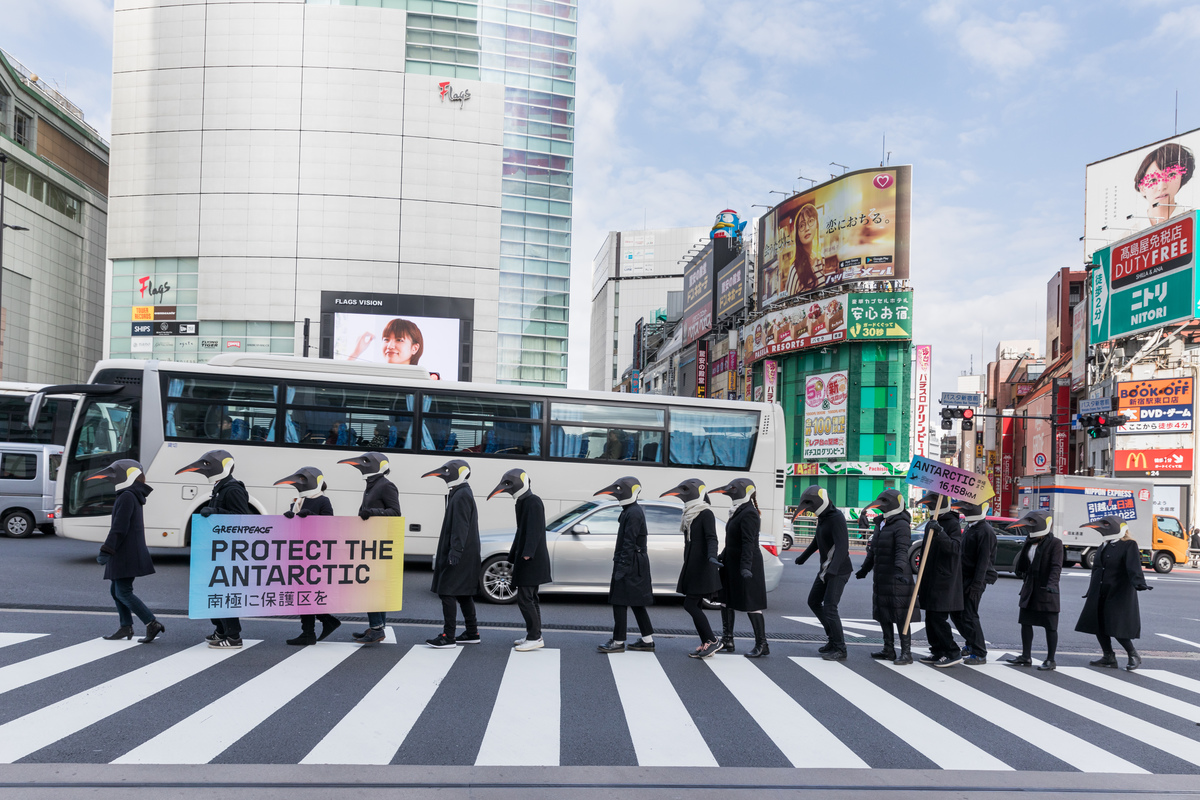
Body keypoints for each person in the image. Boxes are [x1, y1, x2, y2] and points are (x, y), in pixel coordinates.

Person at [176, 449, 250, 649]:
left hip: (228, 551)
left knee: (223, 593)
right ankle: (221, 630)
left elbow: (242, 518)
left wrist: (216, 510)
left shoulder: (232, 489)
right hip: (217, 548)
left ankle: (233, 636)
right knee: (212, 592)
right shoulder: (221, 487)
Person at [88, 459, 164, 644]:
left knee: (123, 592)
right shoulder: (131, 494)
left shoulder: (127, 496)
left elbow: (119, 528)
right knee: (116, 590)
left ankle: (151, 623)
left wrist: (106, 550)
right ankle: (125, 627)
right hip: (128, 551)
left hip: (126, 553)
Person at [339, 452, 402, 644]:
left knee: (371, 586)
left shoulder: (386, 485)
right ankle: (377, 627)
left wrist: (372, 512)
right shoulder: (372, 485)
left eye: (366, 462)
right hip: (370, 542)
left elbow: (395, 512)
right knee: (375, 585)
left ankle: (376, 628)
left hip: (379, 544)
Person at [1075, 515, 1151, 671]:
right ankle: (1108, 656)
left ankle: (1133, 654)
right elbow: (1097, 569)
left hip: (1118, 592)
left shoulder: (1129, 545)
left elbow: (1133, 566)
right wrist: (1091, 590)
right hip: (1100, 591)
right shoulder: (1104, 545)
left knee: (1116, 625)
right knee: (1098, 624)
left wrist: (1139, 583)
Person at [274, 467, 340, 645]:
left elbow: (329, 525)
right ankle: (323, 622)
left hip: (315, 554)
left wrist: (311, 516)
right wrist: (289, 516)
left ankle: (310, 631)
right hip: (299, 551)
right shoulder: (298, 502)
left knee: (305, 593)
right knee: (303, 593)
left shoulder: (323, 501)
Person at [489, 468, 551, 652]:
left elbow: (534, 530)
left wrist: (527, 553)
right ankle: (534, 634)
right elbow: (521, 530)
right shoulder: (523, 501)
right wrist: (513, 554)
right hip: (528, 557)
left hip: (531, 559)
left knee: (525, 599)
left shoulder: (533, 501)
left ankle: (535, 637)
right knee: (531, 598)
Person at [661, 479, 724, 659]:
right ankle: (707, 642)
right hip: (692, 566)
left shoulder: (705, 513)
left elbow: (712, 538)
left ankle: (712, 640)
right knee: (694, 605)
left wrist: (712, 556)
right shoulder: (689, 514)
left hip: (703, 566)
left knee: (690, 605)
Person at [422, 459, 482, 648]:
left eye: (447, 471)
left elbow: (460, 525)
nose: (444, 474)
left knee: (446, 591)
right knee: (463, 593)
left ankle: (449, 636)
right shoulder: (460, 492)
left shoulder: (461, 495)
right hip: (466, 552)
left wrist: (455, 551)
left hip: (460, 553)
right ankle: (472, 632)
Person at [856, 488, 918, 665]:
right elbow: (874, 549)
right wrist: (865, 569)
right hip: (881, 576)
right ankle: (888, 649)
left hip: (897, 578)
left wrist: (899, 570)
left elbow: (901, 550)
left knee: (900, 616)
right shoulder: (881, 523)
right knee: (884, 614)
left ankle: (906, 652)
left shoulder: (901, 525)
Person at [595, 476, 655, 653]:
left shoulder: (633, 512)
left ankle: (618, 641)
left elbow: (629, 542)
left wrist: (621, 567)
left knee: (619, 601)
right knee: (636, 602)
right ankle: (647, 640)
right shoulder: (632, 510)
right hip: (635, 561)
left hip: (631, 561)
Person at [709, 478, 768, 657]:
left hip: (747, 564)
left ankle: (762, 644)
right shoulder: (739, 511)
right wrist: (722, 557)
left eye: (733, 489)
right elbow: (733, 541)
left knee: (752, 603)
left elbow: (748, 543)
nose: (730, 492)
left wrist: (745, 567)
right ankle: (728, 639)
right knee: (726, 599)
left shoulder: (749, 513)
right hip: (732, 562)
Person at [792, 486, 852, 661]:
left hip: (838, 571)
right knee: (813, 601)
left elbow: (842, 547)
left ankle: (840, 648)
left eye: (810, 504)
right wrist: (803, 557)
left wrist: (832, 570)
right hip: (826, 569)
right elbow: (817, 540)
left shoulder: (837, 518)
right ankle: (832, 639)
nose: (808, 508)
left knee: (830, 608)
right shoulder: (823, 518)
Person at [1002, 511, 1062, 671]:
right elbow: (1024, 562)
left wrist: (1052, 584)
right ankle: (1026, 656)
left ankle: (1051, 659)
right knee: (1026, 622)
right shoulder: (1029, 541)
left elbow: (1056, 566)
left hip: (1047, 589)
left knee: (1050, 626)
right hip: (1030, 587)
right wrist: (1021, 572)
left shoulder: (1055, 543)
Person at [913, 492, 964, 668]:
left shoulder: (952, 523)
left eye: (931, 505)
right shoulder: (931, 524)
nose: (929, 508)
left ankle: (952, 651)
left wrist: (940, 532)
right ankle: (938, 650)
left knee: (938, 617)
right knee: (930, 616)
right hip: (930, 577)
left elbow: (955, 549)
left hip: (944, 579)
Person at [951, 500, 997, 665]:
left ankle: (979, 652)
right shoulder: (971, 527)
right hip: (964, 577)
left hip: (976, 579)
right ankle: (970, 643)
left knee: (969, 615)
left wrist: (976, 585)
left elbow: (983, 562)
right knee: (957, 613)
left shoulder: (985, 531)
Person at [1135, 142, 1195, 226]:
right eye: (1153, 180)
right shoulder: (1129, 235)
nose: (1162, 186)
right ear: (1142, 187)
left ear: (1182, 176)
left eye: (1171, 175)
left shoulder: (1194, 222)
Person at [348, 318, 425, 365]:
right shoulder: (376, 377)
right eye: (386, 339)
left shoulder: (425, 381)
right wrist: (356, 353)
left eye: (399, 340)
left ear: (414, 348)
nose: (389, 346)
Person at [784, 203, 820, 297]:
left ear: (817, 224)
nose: (807, 228)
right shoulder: (795, 270)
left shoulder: (821, 260)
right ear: (797, 235)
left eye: (811, 221)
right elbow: (788, 303)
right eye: (801, 226)